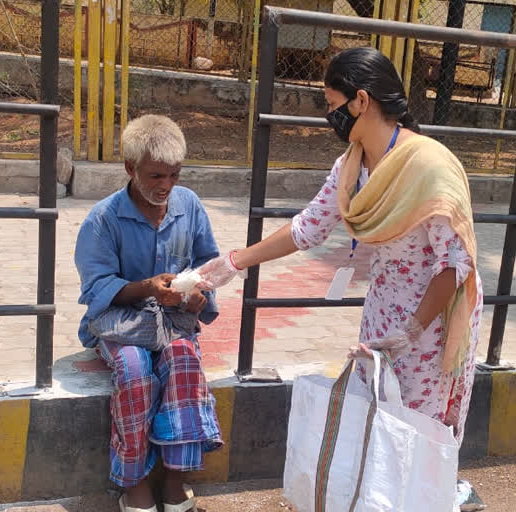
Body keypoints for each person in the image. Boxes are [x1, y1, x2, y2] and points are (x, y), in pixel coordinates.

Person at [198, 47, 484, 507]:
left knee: (422, 424)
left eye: (333, 104)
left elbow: (454, 263)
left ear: (361, 101)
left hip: (433, 318)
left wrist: (413, 330)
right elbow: (307, 228)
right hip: (384, 306)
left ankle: (435, 498)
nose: (329, 115)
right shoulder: (351, 166)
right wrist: (234, 262)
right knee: (382, 414)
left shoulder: (430, 166)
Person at [74, 115, 222, 512]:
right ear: (130, 168)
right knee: (135, 371)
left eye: (174, 175)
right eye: (156, 176)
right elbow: (96, 288)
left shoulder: (189, 204)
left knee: (184, 360)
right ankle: (134, 480)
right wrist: (145, 288)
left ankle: (176, 477)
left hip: (174, 324)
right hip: (120, 325)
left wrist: (196, 297)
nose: (166, 186)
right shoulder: (102, 220)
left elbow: (208, 263)